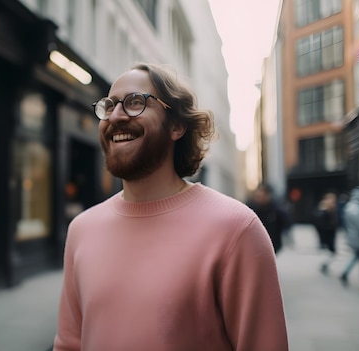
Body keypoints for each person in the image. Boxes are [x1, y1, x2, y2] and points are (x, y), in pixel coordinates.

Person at [52, 63, 288, 350]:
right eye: (109, 105)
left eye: (135, 102)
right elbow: (68, 344)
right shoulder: (81, 229)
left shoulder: (236, 229)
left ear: (176, 125)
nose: (115, 116)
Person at [246, 183, 291, 254]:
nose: (260, 198)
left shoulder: (276, 208)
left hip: (273, 243)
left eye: (263, 195)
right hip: (256, 244)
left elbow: (285, 222)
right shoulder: (251, 208)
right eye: (258, 196)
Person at [313, 192, 338, 274]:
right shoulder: (323, 212)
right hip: (327, 236)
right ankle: (324, 264)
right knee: (331, 252)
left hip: (330, 236)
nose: (333, 203)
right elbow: (320, 225)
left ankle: (324, 265)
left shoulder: (330, 211)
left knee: (332, 253)